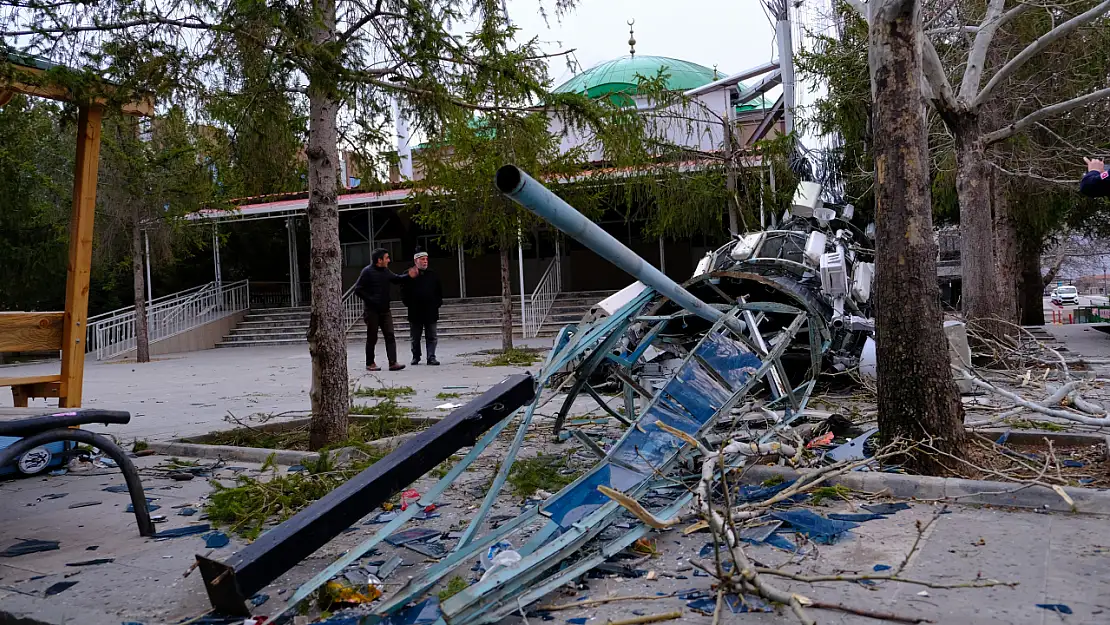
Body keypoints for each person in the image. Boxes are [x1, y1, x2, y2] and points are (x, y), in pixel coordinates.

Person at [354, 249, 417, 371]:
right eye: (387, 258)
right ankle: (370, 363)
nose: (389, 260)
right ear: (379, 260)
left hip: (385, 309)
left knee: (390, 335)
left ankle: (393, 363)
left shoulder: (385, 271)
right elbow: (358, 289)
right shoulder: (367, 272)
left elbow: (396, 279)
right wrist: (371, 299)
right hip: (371, 311)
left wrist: (409, 276)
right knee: (372, 337)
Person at [400, 248, 444, 365]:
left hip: (431, 310)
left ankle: (431, 357)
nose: (425, 262)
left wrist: (437, 304)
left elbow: (439, 291)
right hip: (415, 311)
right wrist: (409, 304)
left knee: (432, 336)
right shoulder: (408, 274)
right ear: (416, 261)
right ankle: (416, 356)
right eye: (422, 259)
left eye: (426, 259)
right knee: (415, 337)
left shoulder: (432, 274)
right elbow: (403, 292)